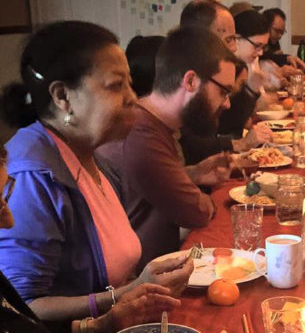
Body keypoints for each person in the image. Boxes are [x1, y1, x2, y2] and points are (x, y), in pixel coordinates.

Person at [0, 21, 193, 330]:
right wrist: (124, 295)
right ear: (62, 97)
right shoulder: (33, 176)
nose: (132, 97)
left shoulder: (89, 154)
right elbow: (21, 305)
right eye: (116, 86)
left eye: (130, 83)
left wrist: (142, 286)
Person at [0, 112, 181, 333]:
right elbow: (31, 301)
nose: (8, 221)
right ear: (63, 96)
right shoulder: (37, 173)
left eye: (3, 198)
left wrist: (99, 326)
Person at [98, 26, 236, 271]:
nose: (227, 104)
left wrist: (192, 174)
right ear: (191, 81)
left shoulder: (153, 124)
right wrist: (201, 196)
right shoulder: (142, 135)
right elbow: (196, 212)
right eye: (223, 91)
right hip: (138, 285)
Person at [179, 0, 273, 163]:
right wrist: (238, 143)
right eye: (229, 39)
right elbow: (189, 144)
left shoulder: (209, 70)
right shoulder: (185, 76)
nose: (234, 47)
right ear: (202, 37)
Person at [215, 10, 276, 140]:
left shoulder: (244, 65)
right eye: (257, 46)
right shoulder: (222, 69)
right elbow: (224, 125)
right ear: (237, 38)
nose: (260, 53)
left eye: (263, 48)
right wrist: (250, 91)